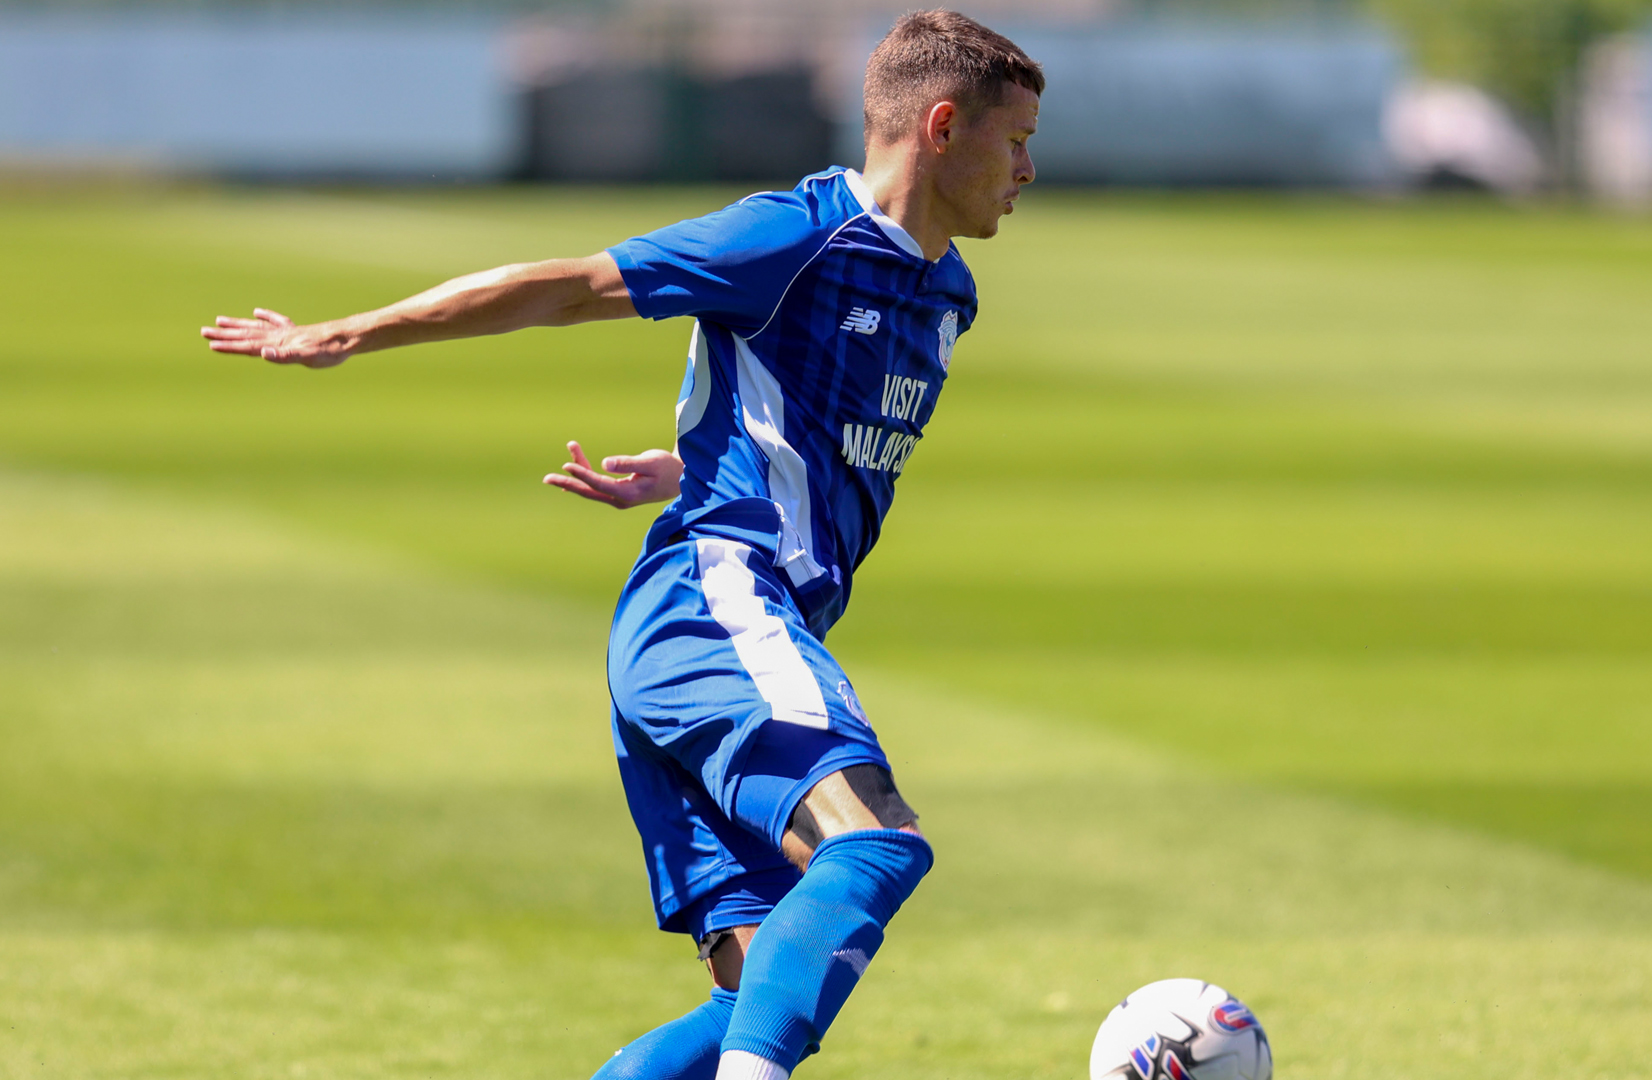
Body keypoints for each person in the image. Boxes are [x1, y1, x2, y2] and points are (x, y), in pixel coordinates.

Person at [200, 11, 1042, 1080]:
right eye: (1013, 140)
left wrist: (691, 462)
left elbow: (802, 429)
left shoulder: (944, 294)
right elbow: (566, 284)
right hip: (716, 601)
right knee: (875, 843)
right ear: (939, 127)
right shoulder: (794, 238)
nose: (1026, 169)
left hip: (715, 616)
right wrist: (349, 332)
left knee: (766, 978)